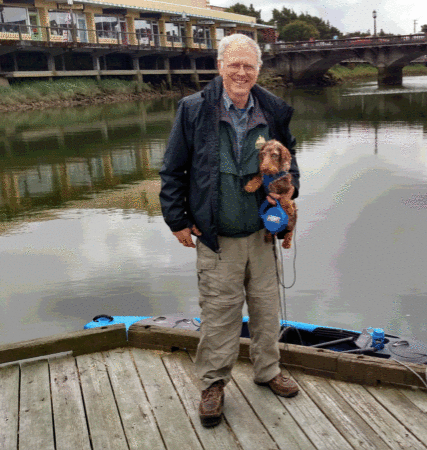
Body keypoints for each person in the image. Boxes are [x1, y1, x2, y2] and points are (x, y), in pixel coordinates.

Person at [159, 33, 301, 428]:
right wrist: (177, 220)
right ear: (219, 66)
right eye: (234, 64)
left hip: (262, 234)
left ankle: (268, 370)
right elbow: (172, 170)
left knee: (267, 311)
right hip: (216, 237)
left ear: (258, 70)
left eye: (249, 66)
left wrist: (288, 193)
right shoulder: (193, 110)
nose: (241, 72)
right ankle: (213, 384)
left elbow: (291, 163)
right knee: (220, 315)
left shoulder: (274, 110)